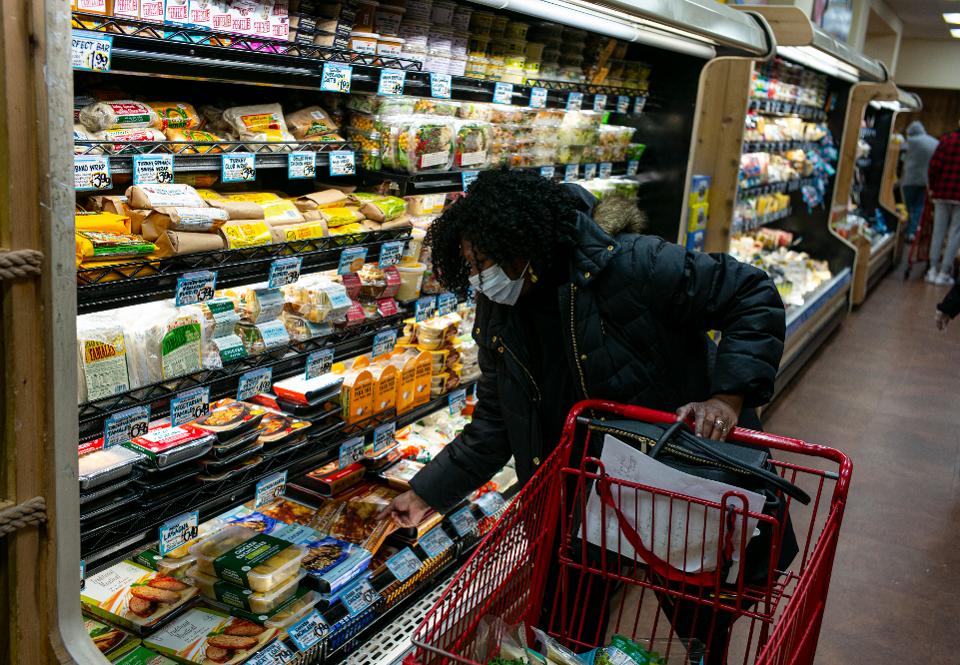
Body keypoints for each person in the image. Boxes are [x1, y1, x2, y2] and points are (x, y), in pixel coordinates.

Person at [380, 170, 788, 661]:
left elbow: (751, 295)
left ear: (521, 244)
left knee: (699, 611)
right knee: (562, 636)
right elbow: (495, 422)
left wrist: (728, 398)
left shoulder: (633, 263)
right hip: (577, 495)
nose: (477, 277)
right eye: (469, 265)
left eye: (483, 262)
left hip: (669, 480)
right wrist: (425, 493)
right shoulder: (498, 308)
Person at [926, 123, 960, 285]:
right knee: (955, 234)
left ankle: (932, 269)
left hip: (942, 192)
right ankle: (944, 272)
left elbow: (934, 166)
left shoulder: (946, 140)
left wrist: (932, 187)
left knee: (938, 231)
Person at [900, 121, 938, 241]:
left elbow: (898, 150)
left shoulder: (911, 142)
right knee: (918, 207)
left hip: (910, 179)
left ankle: (900, 231)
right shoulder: (934, 142)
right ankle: (911, 232)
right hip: (925, 180)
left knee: (905, 206)